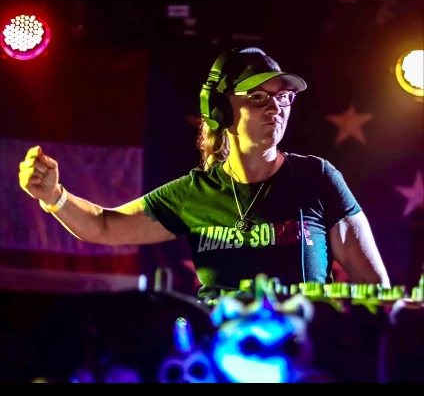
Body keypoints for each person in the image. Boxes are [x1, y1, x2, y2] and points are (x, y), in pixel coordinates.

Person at [18, 47, 391, 298]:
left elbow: (375, 289)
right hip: (220, 359)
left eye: (282, 97)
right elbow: (103, 226)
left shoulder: (317, 178)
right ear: (220, 110)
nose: (275, 108)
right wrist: (54, 197)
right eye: (257, 97)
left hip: (302, 359)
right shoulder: (194, 194)